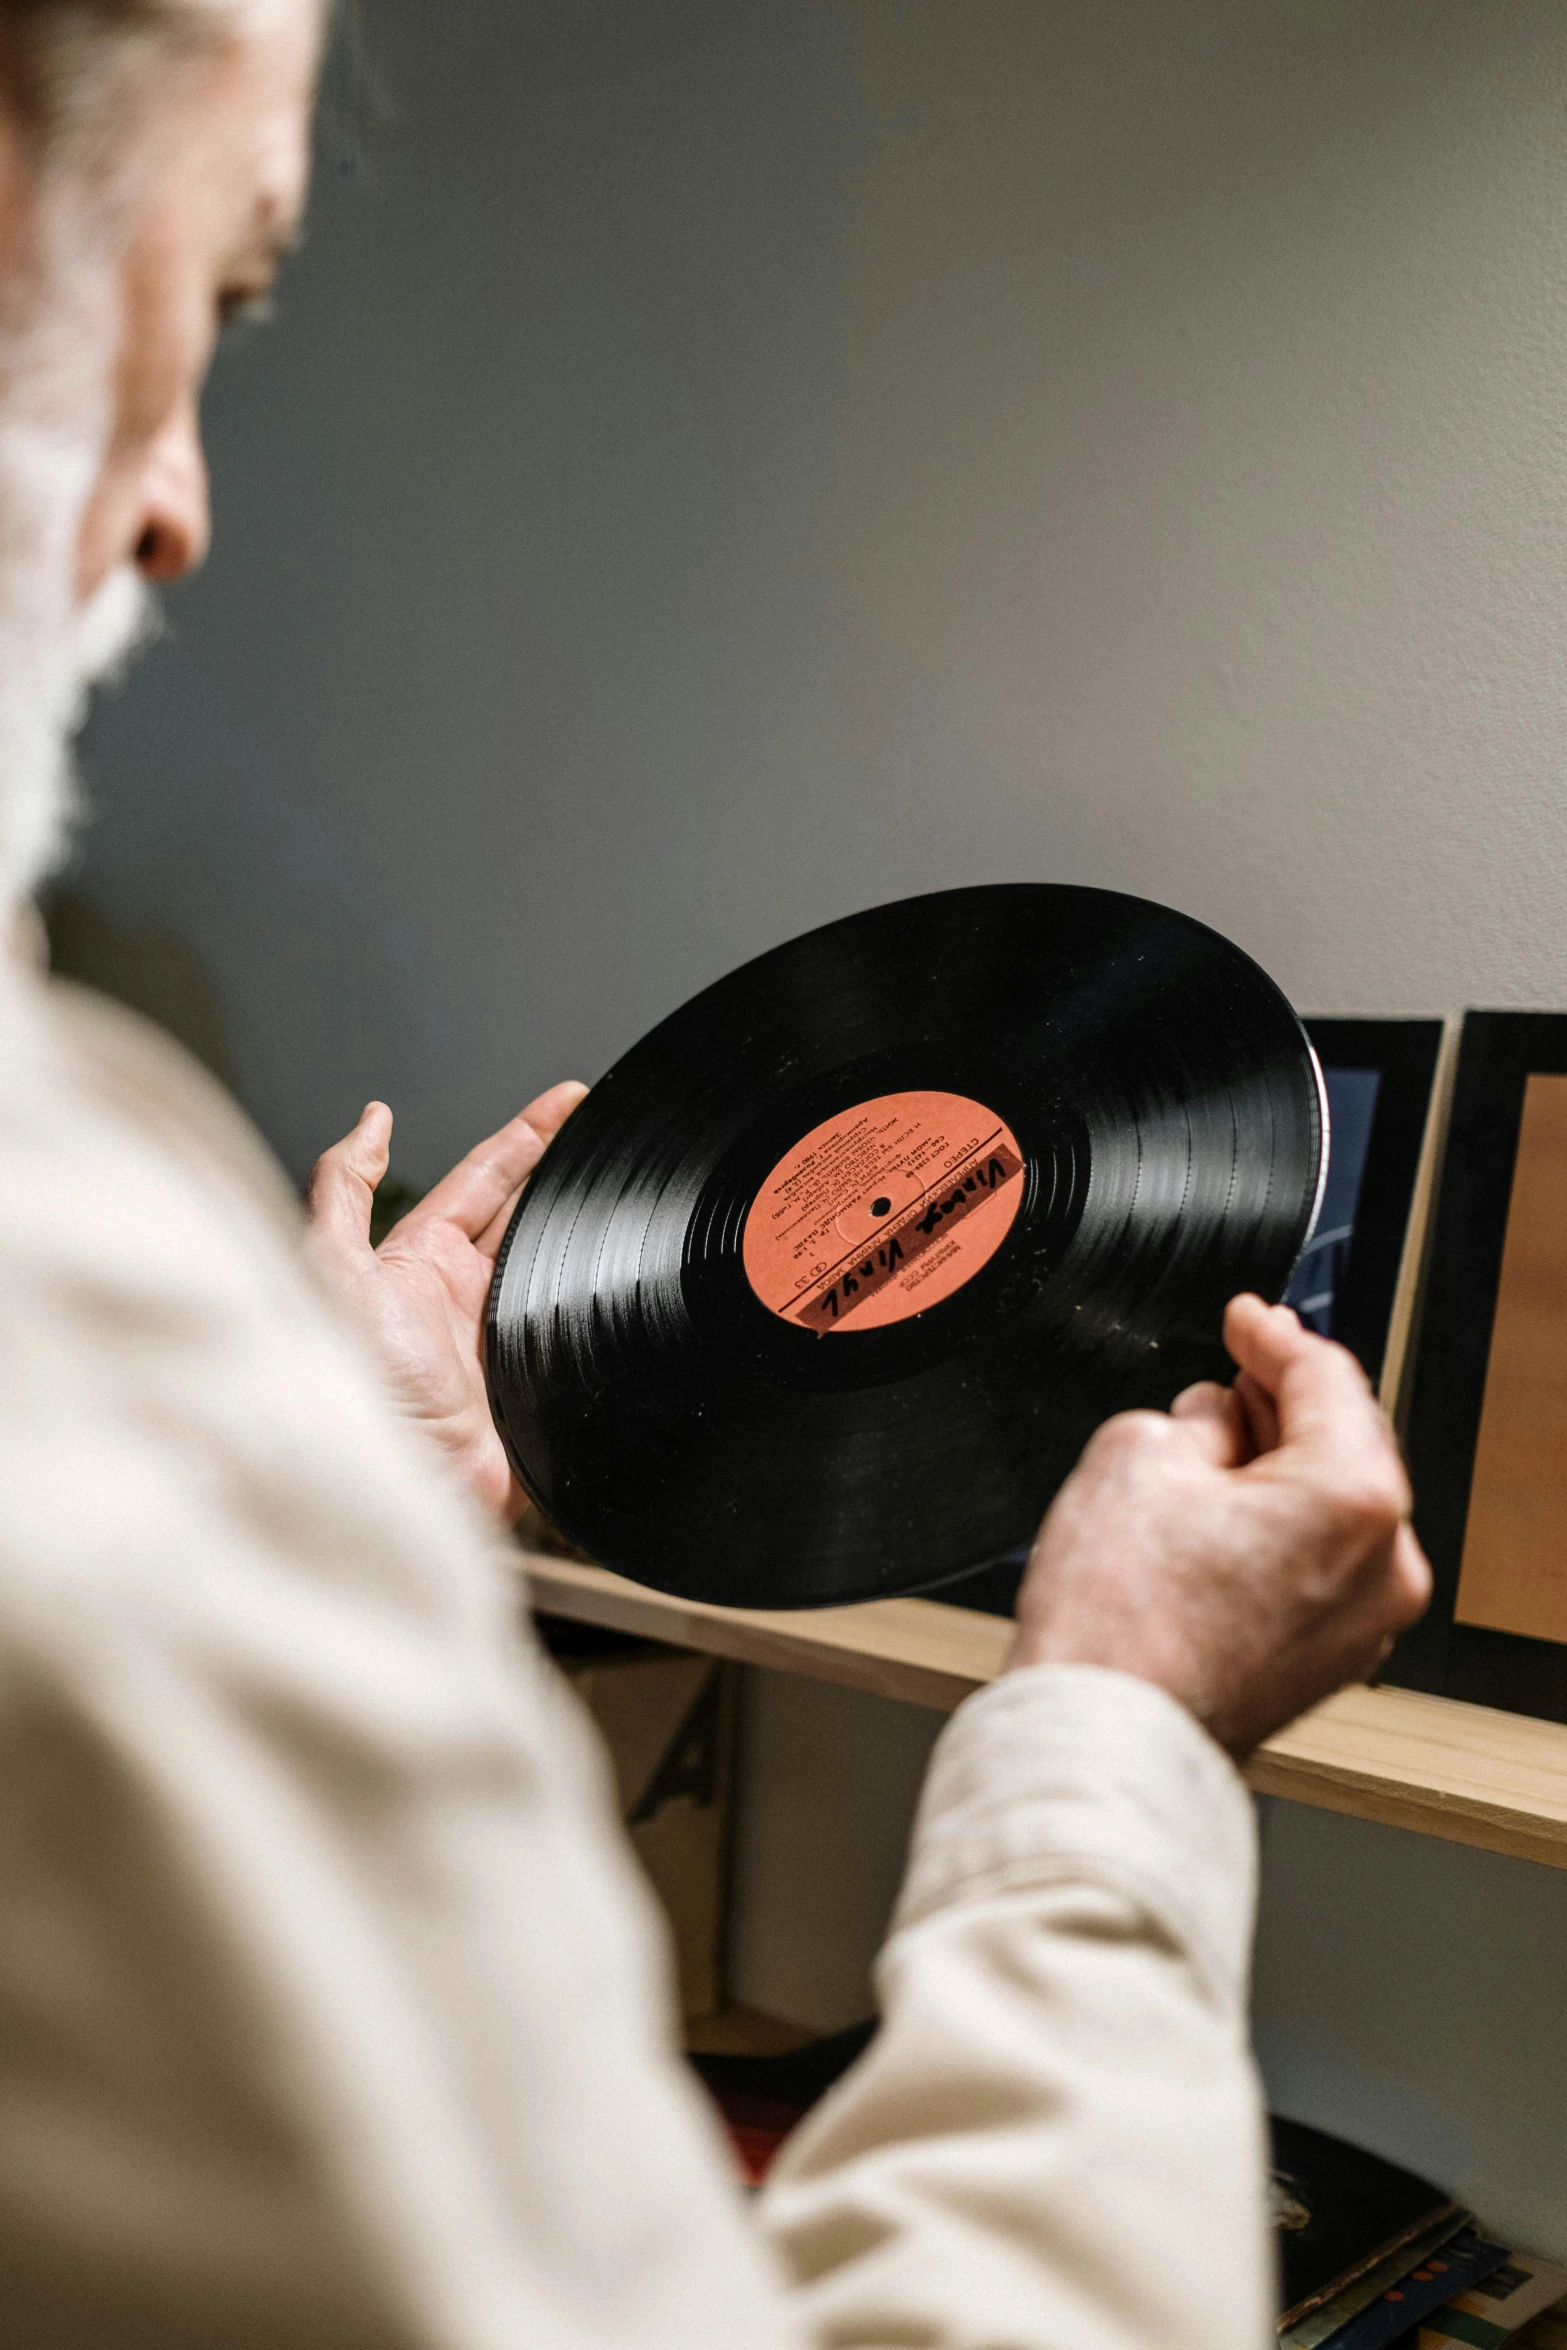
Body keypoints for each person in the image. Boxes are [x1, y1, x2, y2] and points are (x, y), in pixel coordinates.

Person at [0, 5, 1431, 2345]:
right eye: (223, 284)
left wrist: (328, 1502)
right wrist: (1125, 1739)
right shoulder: (66, 1270)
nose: (179, 506)